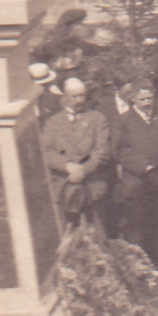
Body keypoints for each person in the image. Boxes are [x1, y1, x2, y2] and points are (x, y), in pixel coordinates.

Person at [112, 78, 158, 263]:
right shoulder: (123, 121)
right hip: (137, 182)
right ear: (133, 99)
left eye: (150, 98)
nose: (147, 103)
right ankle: (140, 268)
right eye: (142, 99)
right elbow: (120, 150)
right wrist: (144, 167)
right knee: (138, 226)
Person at [40, 77, 112, 232]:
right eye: (75, 96)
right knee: (68, 238)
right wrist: (68, 166)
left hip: (92, 186)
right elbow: (46, 152)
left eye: (82, 96)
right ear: (64, 97)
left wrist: (82, 170)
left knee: (97, 236)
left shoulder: (98, 119)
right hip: (63, 186)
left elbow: (102, 152)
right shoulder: (53, 122)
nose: (80, 100)